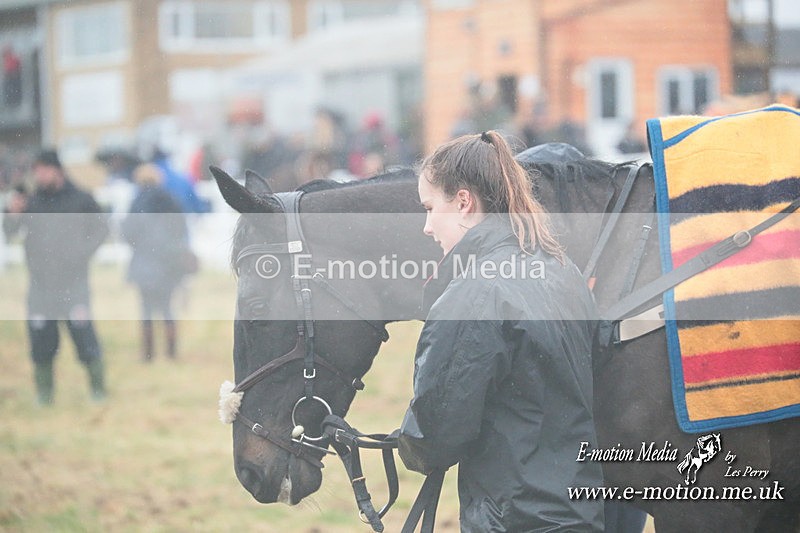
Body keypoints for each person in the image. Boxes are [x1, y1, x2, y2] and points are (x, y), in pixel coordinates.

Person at [398, 131, 604, 531]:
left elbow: (436, 434)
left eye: (429, 207)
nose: (426, 227)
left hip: (515, 518)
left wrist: (407, 441)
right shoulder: (564, 272)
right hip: (580, 513)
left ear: (463, 202)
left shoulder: (475, 293)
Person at [2, 148, 108, 405]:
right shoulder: (32, 201)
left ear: (56, 169)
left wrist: (80, 253)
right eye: (35, 171)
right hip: (40, 284)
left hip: (73, 283)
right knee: (41, 340)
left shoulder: (81, 198)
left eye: (42, 170)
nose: (38, 176)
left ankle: (97, 390)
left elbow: (101, 229)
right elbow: (11, 232)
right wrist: (12, 215)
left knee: (84, 336)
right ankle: (44, 395)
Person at [121, 164, 191, 361]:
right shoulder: (171, 200)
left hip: (144, 264)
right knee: (168, 308)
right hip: (169, 263)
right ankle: (171, 352)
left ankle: (148, 354)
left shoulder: (137, 203)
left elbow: (127, 233)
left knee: (146, 310)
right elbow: (182, 230)